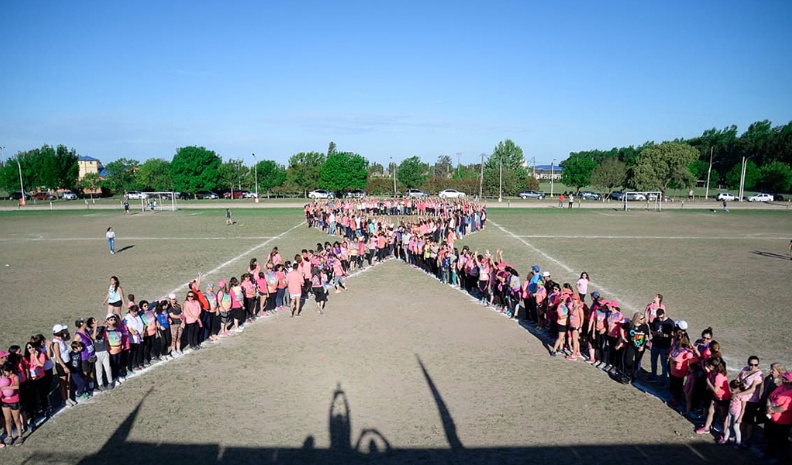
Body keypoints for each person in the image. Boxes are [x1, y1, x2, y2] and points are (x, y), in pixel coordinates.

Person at [765, 371, 792, 463]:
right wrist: (768, 406)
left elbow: (785, 407)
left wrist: (772, 410)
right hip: (772, 419)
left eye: (785, 378)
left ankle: (783, 458)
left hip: (783, 422)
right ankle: (770, 452)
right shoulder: (782, 386)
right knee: (771, 437)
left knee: (783, 441)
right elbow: (770, 396)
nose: (783, 379)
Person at [737, 356, 763, 448]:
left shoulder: (759, 375)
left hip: (751, 401)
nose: (753, 367)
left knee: (749, 421)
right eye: (751, 364)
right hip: (742, 399)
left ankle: (747, 438)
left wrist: (739, 394)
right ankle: (740, 435)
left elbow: (753, 389)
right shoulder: (745, 369)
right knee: (742, 419)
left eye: (755, 365)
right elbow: (738, 379)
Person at [1, 361, 25, 446]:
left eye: (5, 371)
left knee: (16, 419)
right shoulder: (3, 378)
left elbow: (17, 386)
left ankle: (20, 436)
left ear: (10, 371)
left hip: (14, 401)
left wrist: (6, 387)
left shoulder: (15, 377)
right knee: (7, 420)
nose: (4, 373)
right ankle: (9, 436)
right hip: (5, 401)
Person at [649, 308, 674, 385]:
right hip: (655, 345)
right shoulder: (655, 320)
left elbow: (672, 335)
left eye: (661, 317)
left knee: (664, 364)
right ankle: (653, 376)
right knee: (653, 361)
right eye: (658, 317)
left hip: (665, 347)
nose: (660, 319)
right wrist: (654, 333)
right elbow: (652, 330)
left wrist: (664, 335)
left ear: (664, 314)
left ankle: (664, 380)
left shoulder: (670, 323)